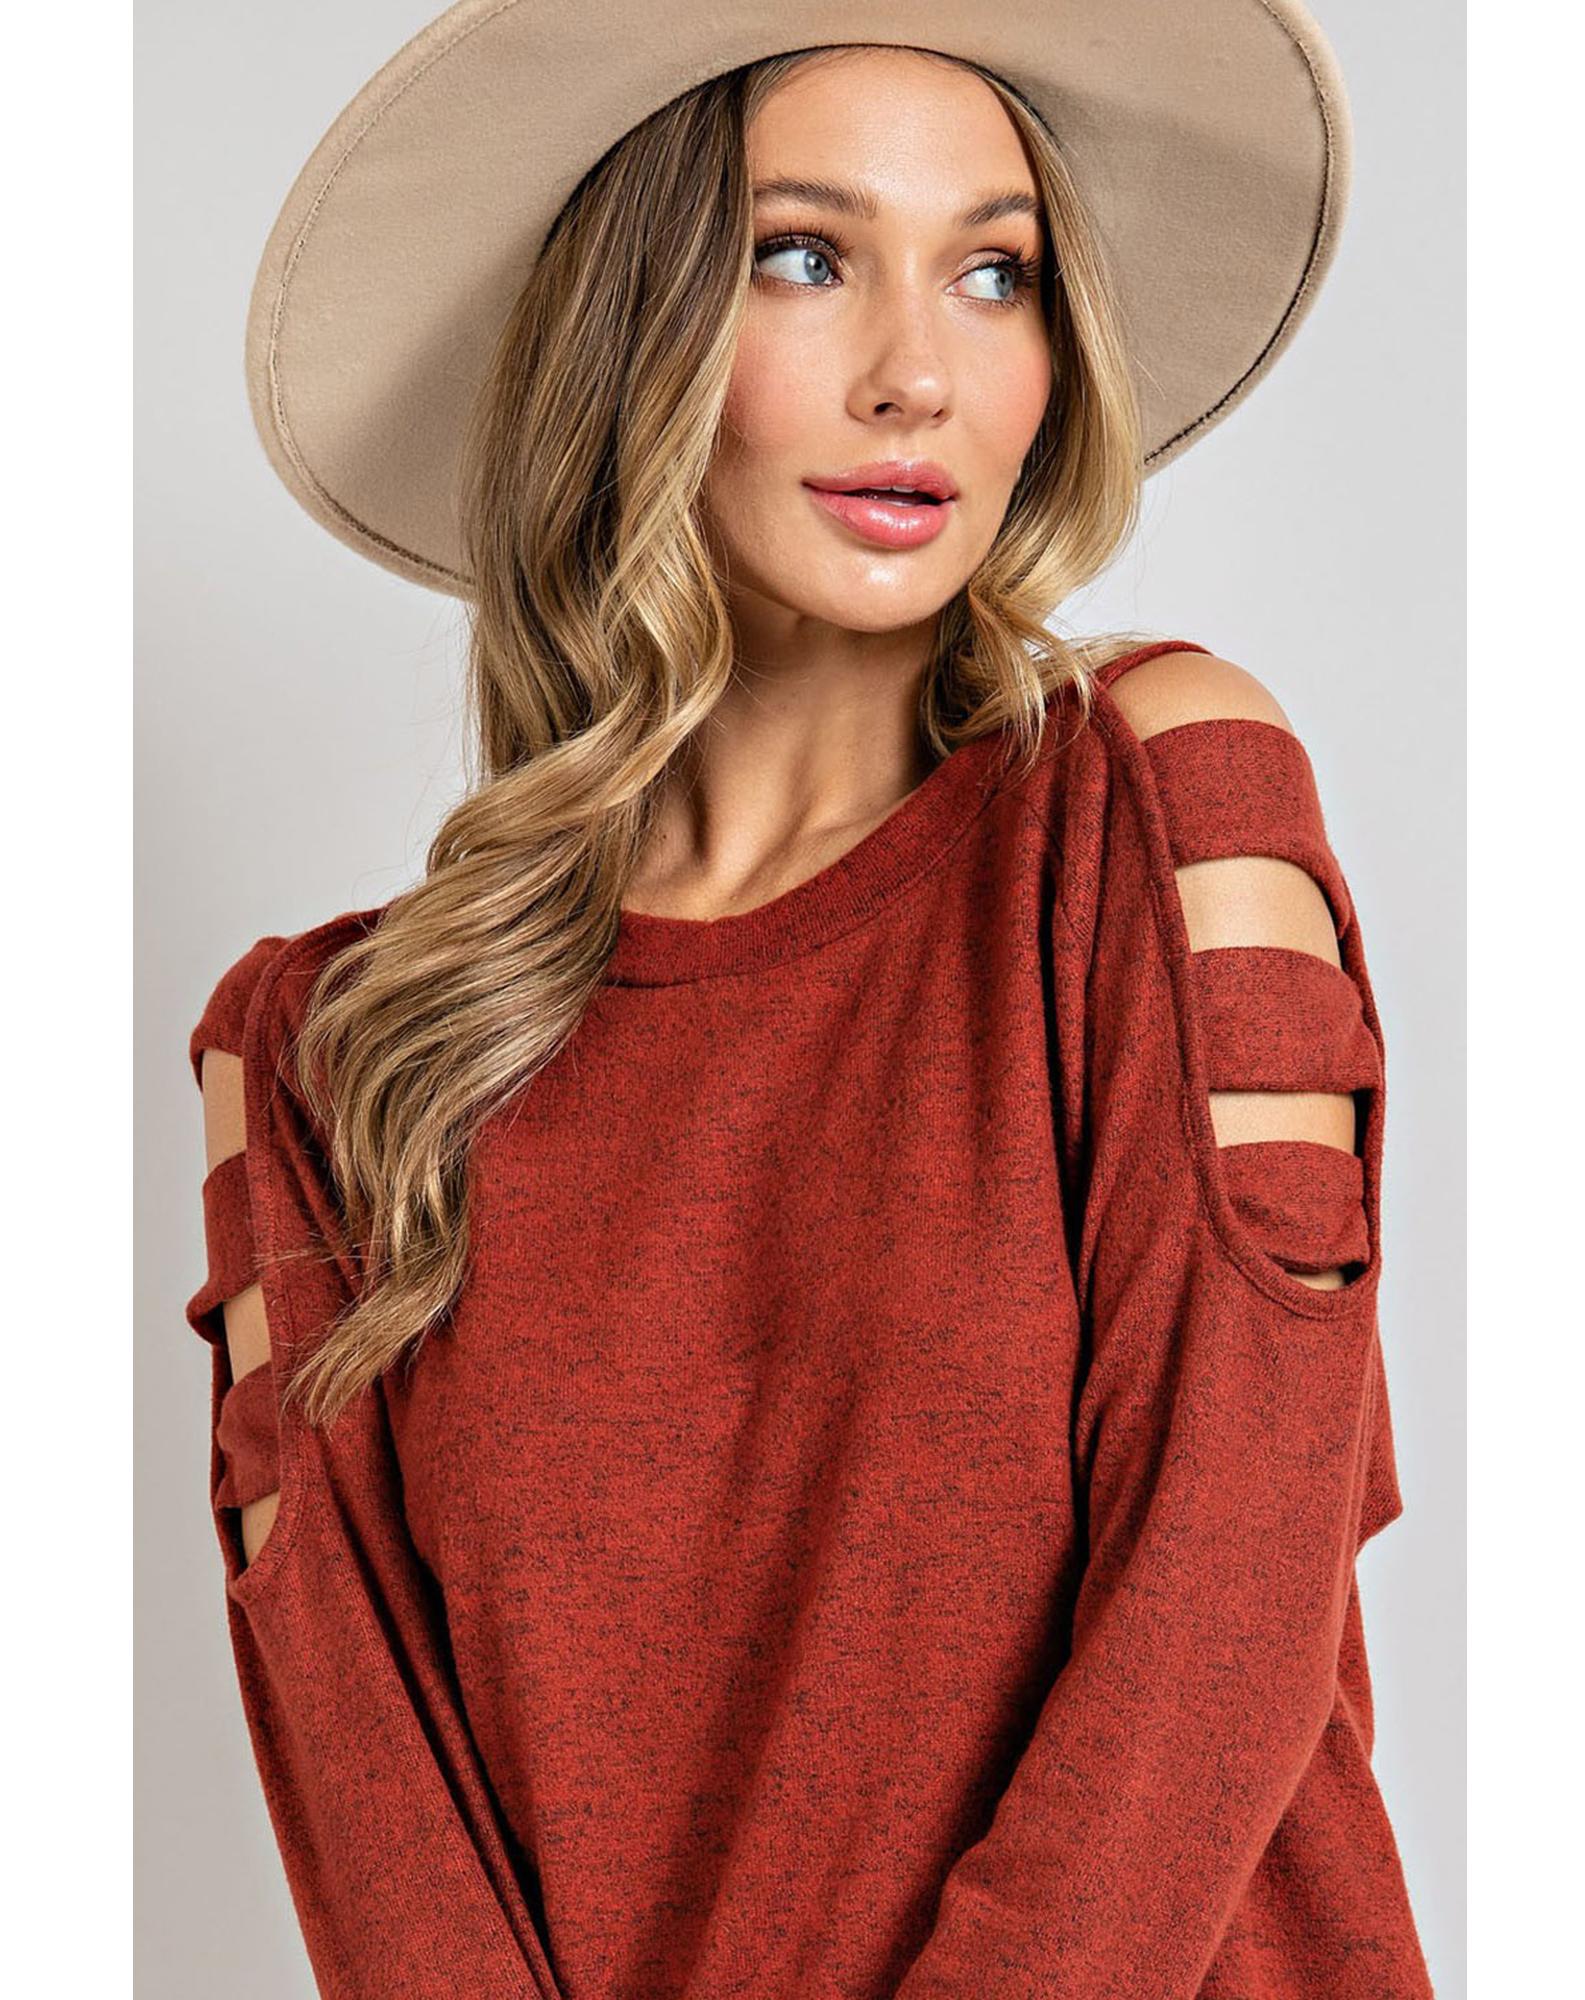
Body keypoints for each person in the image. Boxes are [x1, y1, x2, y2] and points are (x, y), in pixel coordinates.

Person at [183, 5, 1435, 1995]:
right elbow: (385, 1850)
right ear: (628, 338)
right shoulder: (331, 1060)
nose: (916, 371)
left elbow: (1225, 1598)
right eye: (801, 255)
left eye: (994, 272)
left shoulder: (1147, 805)